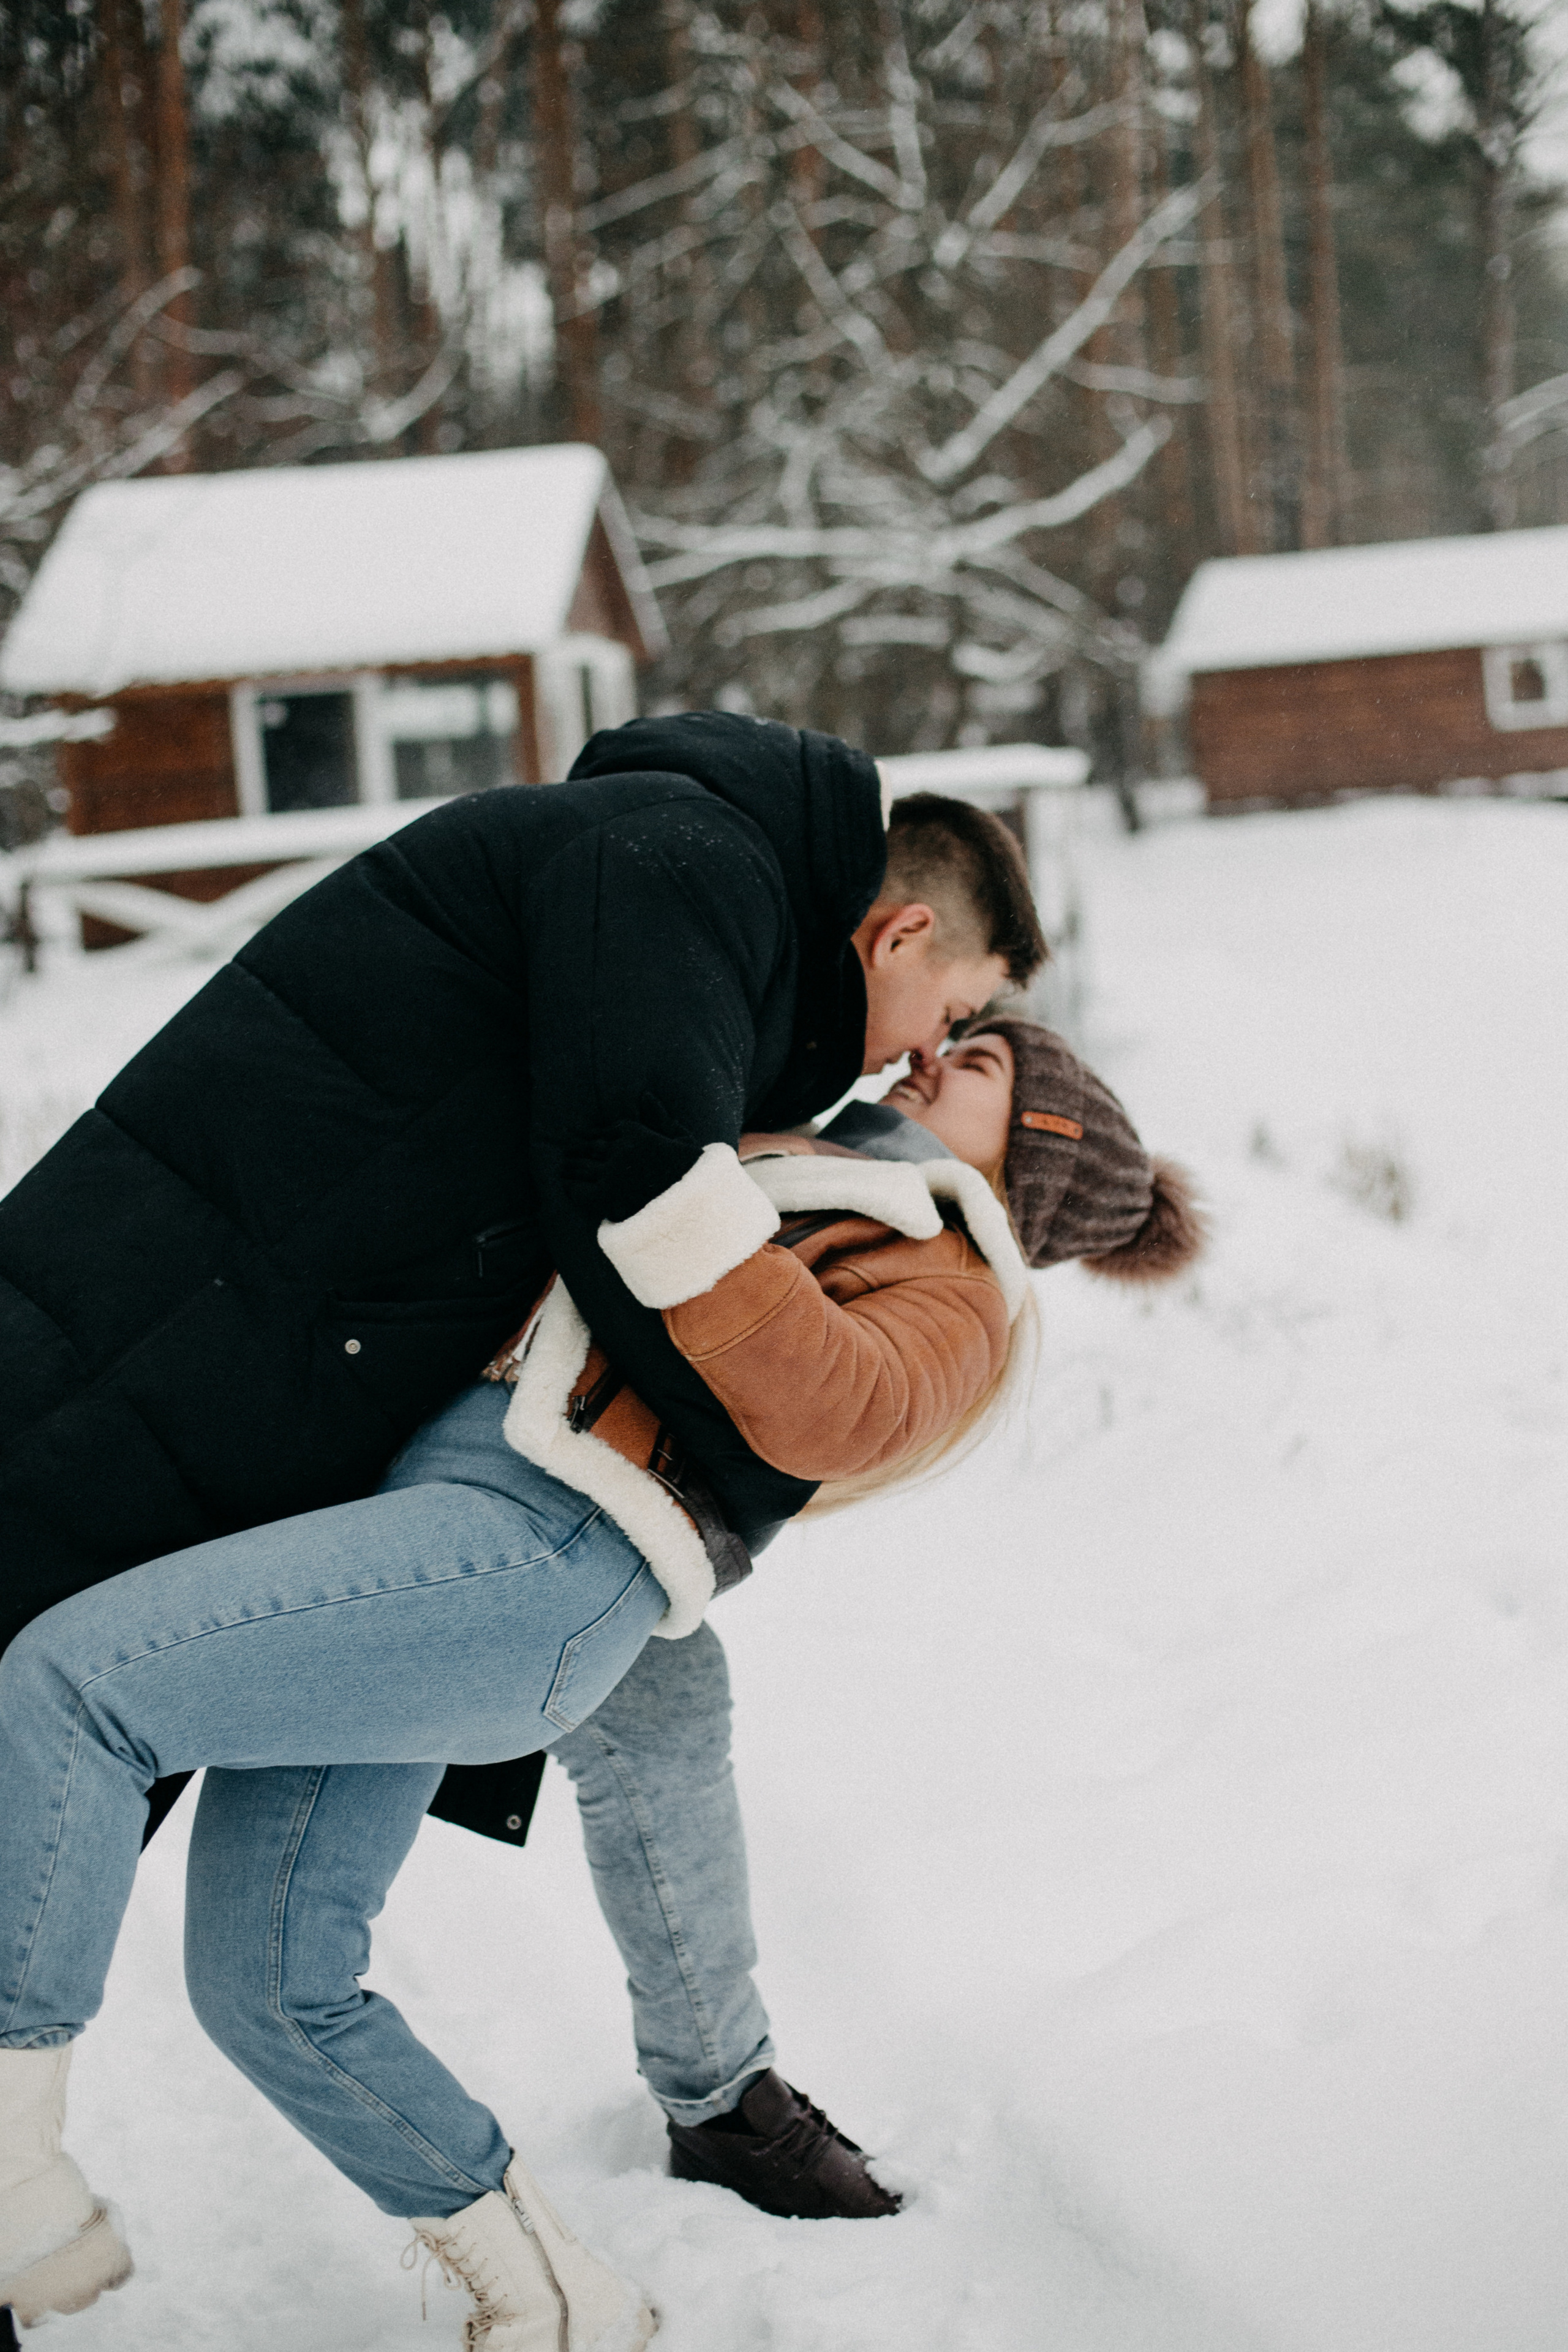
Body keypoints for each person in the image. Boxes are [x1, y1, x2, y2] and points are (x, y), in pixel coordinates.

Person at [0, 1017, 1204, 2345]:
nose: (934, 1060)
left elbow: (836, 1404)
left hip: (528, 1550)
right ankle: (556, 2302)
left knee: (76, 1683)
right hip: (439, 1529)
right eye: (948, 1045)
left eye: (978, 1069)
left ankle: (8, 2183)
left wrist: (672, 1209)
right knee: (269, 1985)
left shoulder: (958, 1283)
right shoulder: (805, 1155)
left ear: (1035, 1156)